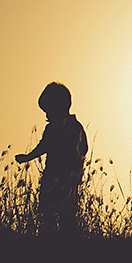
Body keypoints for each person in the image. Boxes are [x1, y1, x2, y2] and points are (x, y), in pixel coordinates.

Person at [16, 82, 88, 233]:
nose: (47, 116)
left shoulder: (63, 128)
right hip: (64, 179)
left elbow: (44, 146)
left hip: (63, 178)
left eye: (49, 111)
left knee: (60, 217)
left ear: (59, 107)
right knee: (52, 215)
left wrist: (28, 157)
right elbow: (84, 149)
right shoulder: (75, 127)